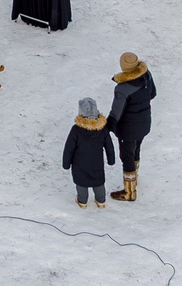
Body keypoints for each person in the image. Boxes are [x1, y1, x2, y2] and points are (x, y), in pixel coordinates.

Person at [106, 51, 155, 201]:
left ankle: (129, 192)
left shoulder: (123, 88)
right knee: (136, 150)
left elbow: (116, 113)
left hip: (128, 130)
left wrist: (107, 126)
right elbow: (153, 94)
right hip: (144, 123)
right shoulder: (147, 76)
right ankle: (135, 178)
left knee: (126, 157)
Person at [63, 98, 115, 208]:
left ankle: (82, 201)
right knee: (98, 182)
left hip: (80, 164)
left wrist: (66, 164)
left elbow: (69, 148)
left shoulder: (76, 130)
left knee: (81, 183)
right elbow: (109, 146)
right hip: (97, 163)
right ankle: (101, 201)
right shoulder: (102, 129)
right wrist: (111, 160)